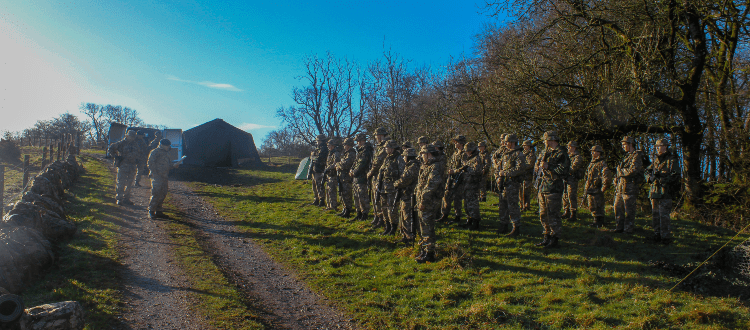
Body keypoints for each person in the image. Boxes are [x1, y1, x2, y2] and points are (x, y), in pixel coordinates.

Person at [533, 131, 570, 248]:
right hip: (543, 186)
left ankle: (555, 238)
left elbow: (564, 171)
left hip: (554, 188)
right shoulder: (545, 152)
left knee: (553, 214)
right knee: (543, 214)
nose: (544, 142)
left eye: (545, 140)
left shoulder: (561, 153)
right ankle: (546, 236)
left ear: (551, 140)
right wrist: (538, 166)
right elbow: (538, 165)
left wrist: (549, 166)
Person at [645, 139, 681, 244]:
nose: (657, 148)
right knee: (655, 214)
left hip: (666, 191)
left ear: (665, 147)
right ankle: (656, 235)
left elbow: (676, 175)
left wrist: (662, 178)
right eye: (656, 146)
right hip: (654, 191)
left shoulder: (672, 160)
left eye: (659, 146)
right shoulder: (655, 160)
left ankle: (665, 237)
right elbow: (647, 170)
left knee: (664, 215)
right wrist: (649, 178)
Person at [416, 144, 443, 263]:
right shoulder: (427, 166)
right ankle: (425, 250)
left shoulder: (435, 167)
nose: (422, 156)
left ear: (428, 154)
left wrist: (423, 201)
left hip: (429, 202)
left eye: (423, 154)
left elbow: (431, 186)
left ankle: (430, 253)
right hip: (424, 201)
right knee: (423, 226)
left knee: (427, 227)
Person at [495, 134, 527, 235]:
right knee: (503, 205)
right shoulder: (505, 153)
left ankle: (516, 226)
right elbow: (499, 166)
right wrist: (499, 176)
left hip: (513, 183)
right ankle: (504, 224)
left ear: (513, 142)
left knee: (512, 205)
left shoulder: (518, 154)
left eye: (507, 142)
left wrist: (506, 173)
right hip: (504, 183)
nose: (505, 143)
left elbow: (520, 169)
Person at [613, 136, 644, 234]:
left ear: (630, 144)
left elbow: (633, 171)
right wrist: (616, 178)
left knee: (629, 210)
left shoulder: (637, 155)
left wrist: (620, 172)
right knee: (617, 207)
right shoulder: (626, 156)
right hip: (621, 187)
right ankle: (619, 228)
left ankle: (628, 229)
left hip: (630, 188)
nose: (622, 147)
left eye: (624, 145)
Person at [107, 129, 145, 205]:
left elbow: (139, 153)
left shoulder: (135, 144)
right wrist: (116, 157)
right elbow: (110, 149)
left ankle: (126, 198)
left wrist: (138, 160)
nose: (132, 138)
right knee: (121, 182)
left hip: (132, 166)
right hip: (123, 165)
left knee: (130, 183)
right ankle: (119, 199)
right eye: (131, 136)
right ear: (127, 136)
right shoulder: (121, 143)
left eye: (133, 137)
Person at [376, 140, 404, 236]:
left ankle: (393, 228)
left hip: (393, 188)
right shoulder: (387, 158)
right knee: (384, 208)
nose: (385, 149)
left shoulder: (399, 158)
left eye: (387, 147)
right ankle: (387, 227)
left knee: (392, 209)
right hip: (384, 187)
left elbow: (402, 174)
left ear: (392, 148)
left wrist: (398, 186)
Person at [147, 139, 180, 219]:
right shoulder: (155, 152)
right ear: (162, 145)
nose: (168, 147)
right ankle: (151, 211)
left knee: (163, 193)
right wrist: (155, 173)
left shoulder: (167, 153)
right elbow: (150, 163)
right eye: (167, 145)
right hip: (157, 176)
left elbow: (168, 164)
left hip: (164, 176)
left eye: (168, 145)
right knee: (156, 193)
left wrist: (173, 165)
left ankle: (159, 211)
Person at [394, 147, 420, 243]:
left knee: (407, 216)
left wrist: (396, 183)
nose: (403, 158)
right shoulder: (412, 165)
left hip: (410, 195)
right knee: (404, 214)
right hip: (408, 194)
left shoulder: (412, 167)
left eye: (404, 156)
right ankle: (405, 235)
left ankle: (409, 237)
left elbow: (404, 181)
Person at [440, 135, 467, 224]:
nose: (455, 143)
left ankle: (458, 216)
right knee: (446, 196)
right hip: (451, 178)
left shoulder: (464, 154)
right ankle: (444, 214)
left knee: (457, 198)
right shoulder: (455, 153)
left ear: (461, 143)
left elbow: (465, 167)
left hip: (459, 179)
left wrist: (454, 171)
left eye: (457, 142)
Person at [584, 145, 612, 228]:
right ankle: (595, 220)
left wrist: (604, 186)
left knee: (598, 205)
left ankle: (600, 221)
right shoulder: (592, 162)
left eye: (594, 151)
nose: (592, 153)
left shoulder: (602, 163)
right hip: (591, 187)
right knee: (592, 205)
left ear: (599, 152)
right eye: (592, 151)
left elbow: (606, 175)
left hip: (597, 187)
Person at [367, 128, 389, 228]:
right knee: (374, 196)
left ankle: (381, 219)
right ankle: (376, 216)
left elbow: (378, 162)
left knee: (380, 198)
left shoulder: (385, 145)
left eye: (377, 135)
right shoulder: (378, 146)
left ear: (380, 135)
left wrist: (370, 172)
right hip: (376, 176)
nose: (376, 138)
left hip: (382, 176)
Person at [460, 142, 484, 229]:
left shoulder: (477, 158)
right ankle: (469, 220)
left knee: (473, 204)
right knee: (466, 204)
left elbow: (477, 171)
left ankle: (475, 222)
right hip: (467, 184)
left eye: (468, 151)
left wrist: (468, 169)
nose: (466, 152)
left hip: (473, 185)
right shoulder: (468, 159)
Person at [350, 133, 373, 220]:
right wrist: (351, 170)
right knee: (356, 196)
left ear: (363, 140)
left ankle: (365, 214)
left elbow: (362, 163)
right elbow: (356, 162)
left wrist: (354, 172)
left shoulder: (366, 150)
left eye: (359, 141)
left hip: (362, 176)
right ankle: (358, 213)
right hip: (356, 176)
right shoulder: (360, 150)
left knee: (362, 196)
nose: (358, 142)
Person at [562, 141, 585, 222]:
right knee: (565, 195)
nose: (568, 148)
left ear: (574, 147)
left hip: (572, 178)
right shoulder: (567, 156)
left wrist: (564, 171)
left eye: (570, 147)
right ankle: (566, 211)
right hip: (565, 178)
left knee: (571, 195)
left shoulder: (578, 157)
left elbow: (574, 167)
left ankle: (573, 213)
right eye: (568, 147)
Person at [336, 138, 357, 218]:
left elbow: (346, 164)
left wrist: (338, 165)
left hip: (347, 177)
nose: (344, 146)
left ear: (348, 145)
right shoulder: (346, 153)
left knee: (347, 194)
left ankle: (348, 210)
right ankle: (345, 209)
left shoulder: (351, 153)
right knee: (343, 194)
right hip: (343, 176)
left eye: (345, 144)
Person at [308, 134, 329, 207]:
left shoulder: (324, 148)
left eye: (318, 140)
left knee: (319, 185)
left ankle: (322, 200)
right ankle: (316, 199)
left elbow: (318, 158)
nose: (317, 142)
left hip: (320, 169)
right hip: (316, 169)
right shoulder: (319, 148)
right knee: (314, 185)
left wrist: (313, 156)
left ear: (321, 140)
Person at [324, 138, 342, 211]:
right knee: (328, 191)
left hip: (333, 175)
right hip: (329, 174)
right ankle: (329, 206)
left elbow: (336, 164)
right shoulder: (330, 153)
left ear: (333, 146)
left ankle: (333, 206)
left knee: (332, 191)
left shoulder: (336, 153)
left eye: (330, 145)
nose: (328, 146)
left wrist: (327, 168)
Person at [520, 140, 536, 211]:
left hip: (528, 175)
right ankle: (521, 205)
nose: (524, 147)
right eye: (524, 146)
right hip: (521, 175)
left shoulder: (531, 154)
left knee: (526, 191)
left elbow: (530, 164)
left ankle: (526, 205)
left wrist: (521, 166)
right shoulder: (521, 154)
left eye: (526, 146)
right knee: (520, 190)